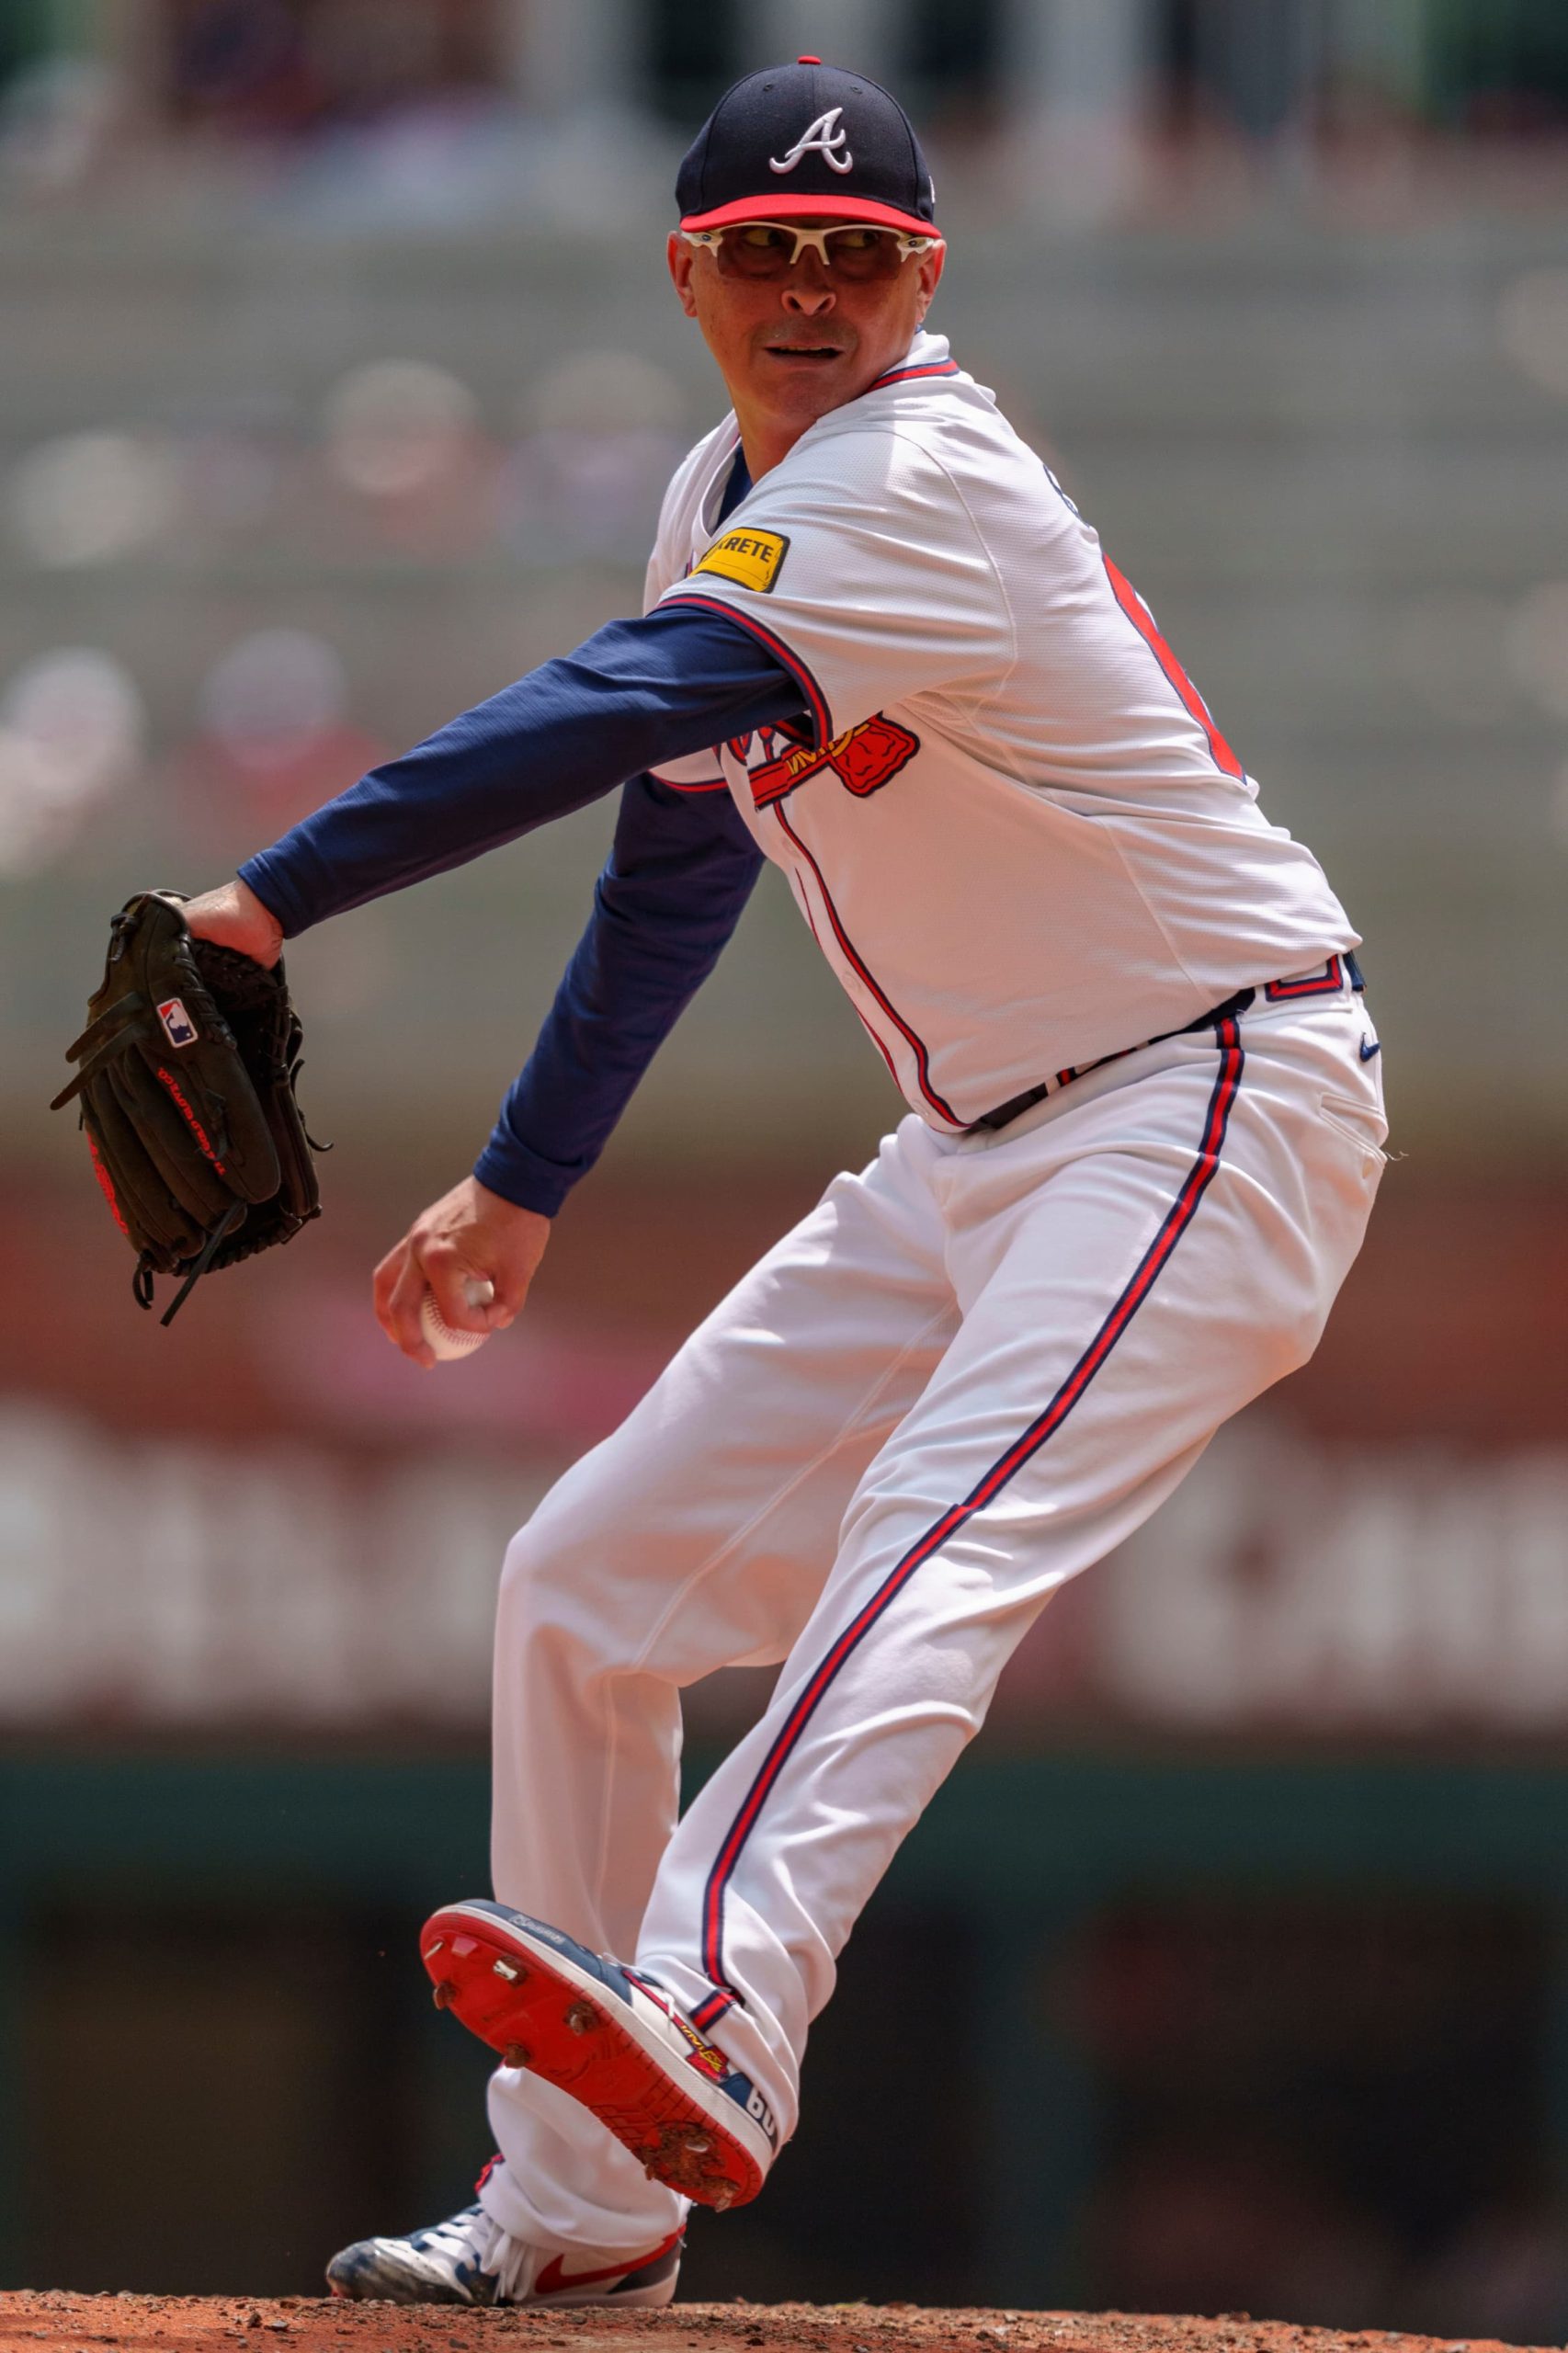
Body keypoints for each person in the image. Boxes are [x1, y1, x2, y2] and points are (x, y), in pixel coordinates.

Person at [185, 57, 1388, 2313]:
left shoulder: (920, 471)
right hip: (979, 1141)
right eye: (766, 250)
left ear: (923, 284)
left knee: (929, 1547)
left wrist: (274, 895)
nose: (811, 287)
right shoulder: (727, 489)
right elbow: (668, 842)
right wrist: (524, 1184)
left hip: (1209, 1095)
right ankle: (576, 2214)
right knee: (584, 1583)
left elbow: (599, 706)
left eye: (858, 254)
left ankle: (718, 2012)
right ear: (691, 275)